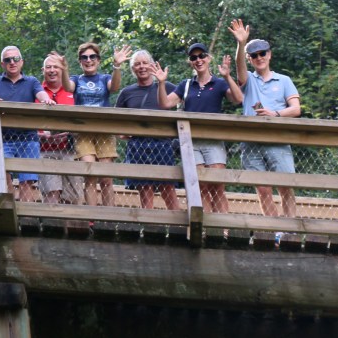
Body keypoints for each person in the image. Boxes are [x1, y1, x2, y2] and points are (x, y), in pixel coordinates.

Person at [153, 43, 242, 212]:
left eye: (202, 56)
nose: (198, 60)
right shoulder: (186, 85)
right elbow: (165, 104)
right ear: (190, 62)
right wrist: (161, 83)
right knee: (201, 187)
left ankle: (222, 225)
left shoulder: (219, 83)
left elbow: (238, 99)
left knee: (217, 186)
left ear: (208, 58)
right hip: (191, 143)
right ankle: (204, 224)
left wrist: (227, 77)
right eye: (194, 57)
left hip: (213, 141)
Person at [228, 19, 302, 218]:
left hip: (278, 139)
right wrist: (241, 44)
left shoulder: (284, 80)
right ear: (249, 59)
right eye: (254, 55)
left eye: (262, 53)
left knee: (286, 186)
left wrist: (275, 114)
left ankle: (289, 229)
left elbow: (296, 109)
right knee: (262, 189)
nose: (259, 57)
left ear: (269, 54)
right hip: (251, 141)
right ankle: (273, 230)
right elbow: (239, 68)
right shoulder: (248, 79)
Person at [0, 46, 55, 202]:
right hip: (2, 139)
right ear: (2, 64)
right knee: (3, 176)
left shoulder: (31, 81)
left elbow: (41, 93)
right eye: (8, 60)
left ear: (22, 62)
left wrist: (46, 99)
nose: (12, 62)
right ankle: (9, 209)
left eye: (15, 59)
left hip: (28, 138)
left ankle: (24, 213)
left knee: (27, 181)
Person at [114, 50, 181, 210]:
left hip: (162, 144)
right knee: (145, 190)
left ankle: (177, 223)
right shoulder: (127, 93)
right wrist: (124, 134)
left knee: (168, 189)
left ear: (152, 65)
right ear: (133, 69)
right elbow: (116, 121)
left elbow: (185, 102)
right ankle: (148, 223)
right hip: (138, 145)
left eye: (145, 63)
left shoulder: (167, 87)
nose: (142, 67)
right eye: (137, 64)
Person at [67, 42, 131, 206]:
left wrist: (117, 66)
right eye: (84, 57)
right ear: (80, 61)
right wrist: (63, 70)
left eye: (92, 56)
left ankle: (109, 215)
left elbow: (114, 87)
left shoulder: (104, 78)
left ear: (98, 60)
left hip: (104, 130)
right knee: (90, 175)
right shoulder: (76, 79)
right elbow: (68, 87)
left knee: (106, 178)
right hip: (83, 132)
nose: (88, 60)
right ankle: (92, 216)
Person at [37, 54, 81, 204]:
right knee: (51, 194)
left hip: (70, 150)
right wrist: (40, 135)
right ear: (43, 70)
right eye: (48, 67)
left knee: (73, 198)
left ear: (62, 69)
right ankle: (50, 220)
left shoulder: (72, 90)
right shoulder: (36, 91)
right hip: (45, 150)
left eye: (56, 67)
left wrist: (70, 133)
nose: (52, 70)